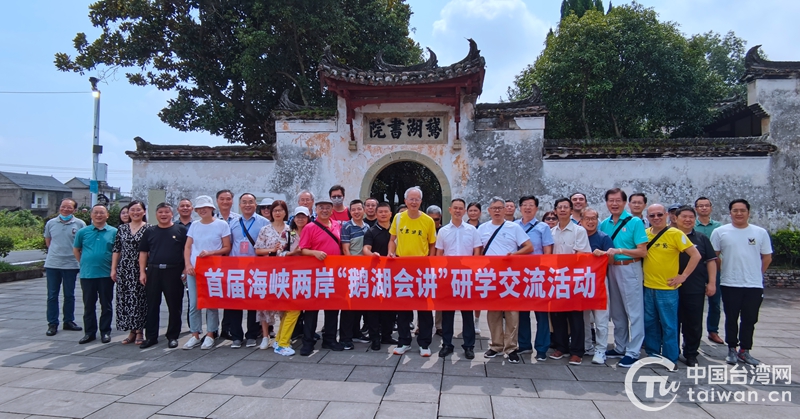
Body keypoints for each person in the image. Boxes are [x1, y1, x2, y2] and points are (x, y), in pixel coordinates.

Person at [711, 199, 772, 366]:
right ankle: (731, 348)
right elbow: (714, 256)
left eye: (742, 210)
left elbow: (767, 257)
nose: (739, 213)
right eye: (735, 210)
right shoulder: (720, 232)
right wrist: (723, 270)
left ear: (748, 212)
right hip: (730, 283)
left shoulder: (760, 233)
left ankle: (745, 350)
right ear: (730, 213)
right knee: (731, 317)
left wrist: (757, 273)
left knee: (750, 318)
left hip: (753, 285)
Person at [642, 203, 701, 370]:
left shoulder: (675, 233)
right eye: (652, 216)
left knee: (669, 325)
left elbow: (695, 255)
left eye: (659, 215)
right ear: (648, 218)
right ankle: (653, 354)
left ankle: (670, 358)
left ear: (667, 215)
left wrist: (683, 276)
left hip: (667, 289)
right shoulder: (645, 234)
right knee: (651, 323)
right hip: (648, 287)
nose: (656, 218)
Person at [479, 197, 533, 363]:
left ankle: (511, 347)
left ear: (505, 210)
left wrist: (514, 255)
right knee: (493, 312)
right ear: (489, 211)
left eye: (500, 208)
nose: (497, 211)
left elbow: (529, 247)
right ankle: (496, 345)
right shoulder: (482, 228)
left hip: (510, 276)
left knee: (511, 313)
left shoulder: (513, 227)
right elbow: (477, 251)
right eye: (494, 208)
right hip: (490, 276)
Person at [599, 188, 648, 368]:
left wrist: (620, 250)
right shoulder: (604, 223)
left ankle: (633, 351)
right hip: (611, 269)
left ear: (624, 202)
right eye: (611, 200)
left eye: (618, 200)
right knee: (617, 312)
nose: (614, 204)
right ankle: (620, 346)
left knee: (634, 312)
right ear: (606, 203)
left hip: (630, 268)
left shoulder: (635, 222)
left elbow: (643, 251)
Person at [389, 186, 437, 357]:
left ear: (421, 202)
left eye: (417, 199)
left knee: (424, 308)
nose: (414, 202)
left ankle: (424, 343)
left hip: (421, 269)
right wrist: (390, 252)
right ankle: (404, 341)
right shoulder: (398, 218)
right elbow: (392, 239)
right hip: (402, 269)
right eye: (411, 199)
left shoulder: (428, 221)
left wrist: (429, 262)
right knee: (403, 308)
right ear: (405, 201)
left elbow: (432, 244)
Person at [183, 195, 231, 350]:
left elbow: (226, 247)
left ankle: (210, 333)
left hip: (212, 270)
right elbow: (188, 247)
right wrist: (188, 264)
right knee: (194, 303)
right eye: (199, 208)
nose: (202, 210)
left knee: (211, 303)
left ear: (212, 209)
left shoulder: (221, 225)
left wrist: (211, 253)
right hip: (194, 269)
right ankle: (195, 334)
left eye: (205, 208)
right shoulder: (194, 225)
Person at [298, 197, 345, 355]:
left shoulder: (337, 225)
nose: (324, 210)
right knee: (312, 309)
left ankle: (330, 339)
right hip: (315, 274)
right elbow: (302, 249)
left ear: (332, 210)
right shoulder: (310, 227)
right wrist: (314, 252)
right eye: (321, 207)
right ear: (316, 210)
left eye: (327, 207)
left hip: (333, 274)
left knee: (332, 308)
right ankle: (308, 342)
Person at [435, 198, 481, 359]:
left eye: (461, 208)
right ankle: (447, 344)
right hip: (448, 275)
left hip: (467, 275)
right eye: (455, 208)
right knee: (448, 312)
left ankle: (469, 345)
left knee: (467, 312)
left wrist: (474, 270)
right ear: (450, 210)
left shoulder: (472, 230)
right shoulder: (443, 231)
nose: (458, 211)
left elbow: (477, 251)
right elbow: (439, 253)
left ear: (464, 211)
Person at [138, 202, 188, 349]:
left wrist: (185, 268)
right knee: (152, 305)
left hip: (174, 271)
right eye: (160, 212)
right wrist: (142, 272)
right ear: (156, 214)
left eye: (166, 212)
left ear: (172, 214)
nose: (164, 215)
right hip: (153, 271)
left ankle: (172, 336)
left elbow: (187, 251)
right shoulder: (149, 231)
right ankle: (151, 336)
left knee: (174, 306)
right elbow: (143, 253)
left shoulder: (181, 230)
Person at [549, 198, 592, 365]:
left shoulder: (578, 231)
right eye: (559, 207)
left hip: (574, 279)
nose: (562, 210)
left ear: (571, 210)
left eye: (566, 207)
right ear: (555, 211)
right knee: (557, 315)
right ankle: (561, 347)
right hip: (555, 279)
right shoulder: (551, 232)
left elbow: (583, 255)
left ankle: (577, 351)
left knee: (575, 317)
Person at [673, 206, 717, 366]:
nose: (687, 220)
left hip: (695, 287)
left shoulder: (701, 238)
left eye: (691, 217)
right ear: (675, 219)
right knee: (672, 321)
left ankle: (691, 353)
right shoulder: (668, 236)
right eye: (684, 216)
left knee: (693, 322)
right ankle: (672, 351)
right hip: (670, 287)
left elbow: (711, 261)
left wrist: (711, 282)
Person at [226, 193, 269, 349]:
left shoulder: (263, 223)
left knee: (253, 302)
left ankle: (251, 335)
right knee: (235, 302)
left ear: (255, 204)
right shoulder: (232, 223)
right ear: (239, 205)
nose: (247, 205)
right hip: (236, 268)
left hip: (255, 268)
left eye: (250, 202)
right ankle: (236, 336)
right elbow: (228, 245)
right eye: (244, 202)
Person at [514, 195, 554, 360]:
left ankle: (542, 348)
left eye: (531, 205)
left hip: (538, 275)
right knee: (522, 312)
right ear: (520, 208)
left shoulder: (543, 227)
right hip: (518, 275)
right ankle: (524, 345)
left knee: (541, 313)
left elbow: (548, 252)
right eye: (524, 205)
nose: (527, 208)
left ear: (536, 208)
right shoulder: (513, 226)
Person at [73, 204, 117, 344]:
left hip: (106, 274)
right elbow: (76, 249)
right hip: (88, 274)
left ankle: (105, 332)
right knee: (89, 305)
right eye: (96, 212)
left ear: (107, 215)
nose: (99, 215)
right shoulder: (83, 232)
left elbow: (117, 252)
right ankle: (89, 333)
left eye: (102, 213)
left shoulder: (114, 232)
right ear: (91, 215)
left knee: (106, 304)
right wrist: (84, 263)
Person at [271, 206, 310, 356]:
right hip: (288, 275)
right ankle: (283, 343)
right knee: (293, 309)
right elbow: (278, 253)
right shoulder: (288, 233)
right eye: (298, 216)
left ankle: (280, 339)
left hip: (305, 275)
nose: (300, 219)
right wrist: (292, 253)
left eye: (304, 216)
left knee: (291, 309)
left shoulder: (310, 231)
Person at [44, 198, 86, 336]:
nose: (65, 209)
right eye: (63, 207)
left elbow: (82, 243)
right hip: (53, 264)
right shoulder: (51, 223)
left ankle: (68, 321)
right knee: (52, 295)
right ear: (59, 208)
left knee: (69, 295)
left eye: (69, 207)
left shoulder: (80, 224)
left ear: (74, 210)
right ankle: (52, 323)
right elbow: (48, 241)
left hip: (71, 264)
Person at [111, 200, 149, 346]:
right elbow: (116, 249)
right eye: (132, 210)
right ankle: (131, 331)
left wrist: (143, 271)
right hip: (125, 268)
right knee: (126, 300)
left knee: (140, 300)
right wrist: (114, 268)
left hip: (141, 269)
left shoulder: (149, 228)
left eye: (138, 210)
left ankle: (140, 331)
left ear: (144, 212)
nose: (135, 212)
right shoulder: (122, 228)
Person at [254, 199, 291, 349]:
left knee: (283, 303)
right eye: (275, 210)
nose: (277, 213)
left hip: (284, 272)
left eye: (280, 210)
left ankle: (281, 335)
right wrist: (272, 251)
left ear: (285, 212)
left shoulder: (290, 230)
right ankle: (265, 336)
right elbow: (257, 250)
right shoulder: (265, 229)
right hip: (267, 271)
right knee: (264, 304)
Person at [363, 202, 398, 351]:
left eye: (386, 212)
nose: (383, 214)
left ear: (391, 214)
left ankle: (387, 335)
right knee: (373, 307)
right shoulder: (371, 231)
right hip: (375, 274)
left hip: (394, 274)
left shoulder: (396, 231)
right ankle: (374, 337)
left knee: (390, 307)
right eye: (380, 212)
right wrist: (372, 255)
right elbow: (366, 248)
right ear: (376, 215)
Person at [339, 199, 371, 349]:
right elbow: (346, 250)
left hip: (365, 271)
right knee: (348, 306)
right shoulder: (347, 227)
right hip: (352, 271)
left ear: (363, 210)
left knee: (359, 304)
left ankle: (356, 333)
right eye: (353, 210)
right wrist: (352, 268)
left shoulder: (367, 227)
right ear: (350, 212)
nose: (357, 212)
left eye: (359, 209)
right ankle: (345, 337)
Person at [584, 207, 614, 365]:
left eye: (593, 218)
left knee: (601, 318)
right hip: (581, 283)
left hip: (600, 282)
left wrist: (603, 255)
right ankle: (587, 346)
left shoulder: (604, 237)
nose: (590, 222)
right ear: (581, 221)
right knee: (584, 317)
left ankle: (601, 349)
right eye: (587, 219)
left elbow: (612, 261)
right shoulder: (579, 237)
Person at [694, 196, 724, 344]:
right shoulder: (691, 225)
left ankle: (713, 330)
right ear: (696, 209)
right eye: (701, 206)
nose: (704, 208)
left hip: (713, 266)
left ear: (711, 208)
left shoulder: (719, 227)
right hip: (695, 268)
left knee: (715, 301)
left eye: (706, 205)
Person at [466, 201, 483, 334]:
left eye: (475, 210)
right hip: (463, 267)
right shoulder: (463, 227)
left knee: (477, 296)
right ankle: (467, 322)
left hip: (479, 266)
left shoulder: (484, 228)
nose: (473, 213)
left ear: (480, 213)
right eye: (470, 210)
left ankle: (476, 320)